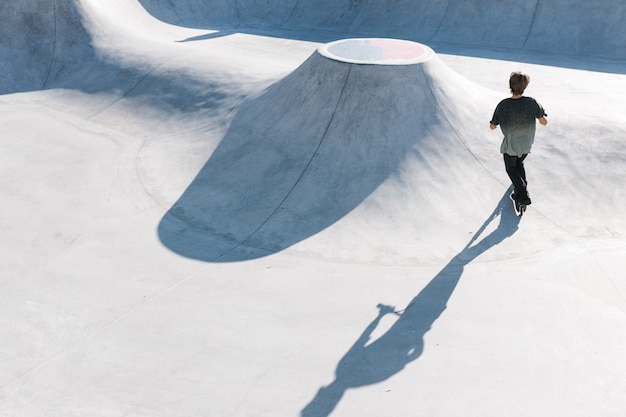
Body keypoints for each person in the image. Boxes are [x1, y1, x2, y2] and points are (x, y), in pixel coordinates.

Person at [490, 71, 547, 205]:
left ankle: (523, 195)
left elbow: (493, 126)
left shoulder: (503, 105)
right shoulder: (532, 102)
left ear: (510, 85)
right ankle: (522, 185)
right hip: (526, 145)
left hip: (511, 146)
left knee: (511, 168)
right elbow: (543, 121)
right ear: (525, 86)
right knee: (519, 163)